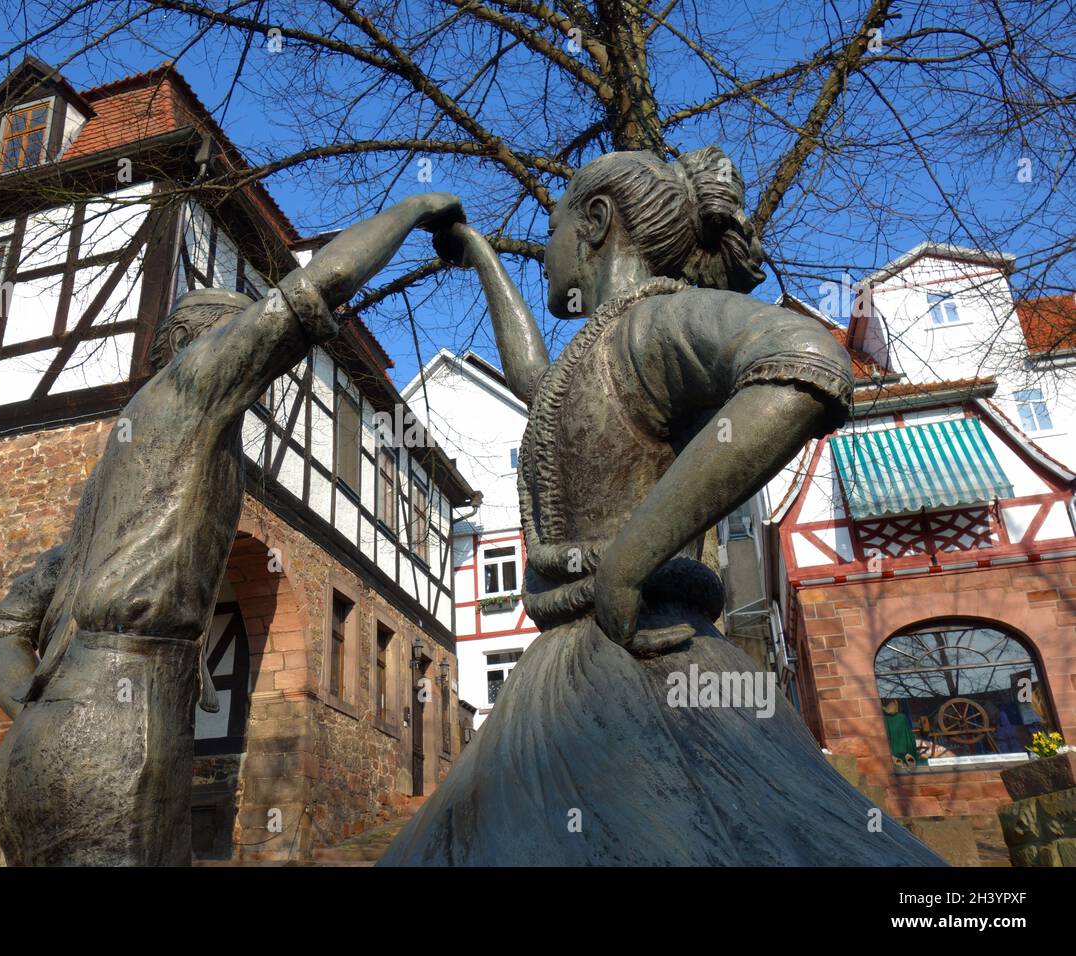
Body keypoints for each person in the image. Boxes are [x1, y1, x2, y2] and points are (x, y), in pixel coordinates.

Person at [380, 149, 944, 865]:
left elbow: (809, 363)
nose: (545, 257)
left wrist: (634, 555)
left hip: (638, 665)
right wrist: (481, 256)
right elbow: (534, 377)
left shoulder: (655, 325)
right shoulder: (603, 344)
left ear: (594, 222)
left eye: (550, 230)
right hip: (575, 669)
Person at [0, 192, 464, 865]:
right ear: (184, 345)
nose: (254, 361)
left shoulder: (126, 484)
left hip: (55, 741)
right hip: (121, 736)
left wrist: (37, 707)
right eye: (235, 337)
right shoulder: (188, 389)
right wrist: (414, 211)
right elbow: (312, 291)